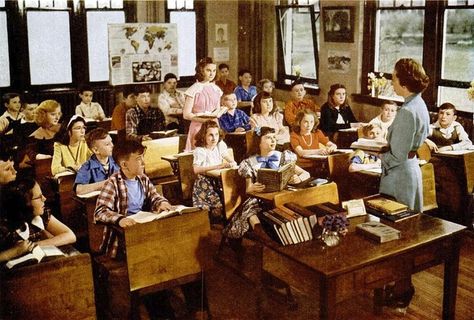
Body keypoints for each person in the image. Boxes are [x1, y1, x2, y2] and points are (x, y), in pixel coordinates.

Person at [379, 58, 430, 310]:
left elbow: (397, 154)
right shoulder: (418, 104)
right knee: (403, 234)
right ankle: (399, 284)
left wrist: (380, 155)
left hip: (400, 176)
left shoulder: (408, 111)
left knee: (398, 235)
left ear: (404, 81)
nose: (392, 81)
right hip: (408, 172)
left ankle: (402, 289)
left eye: (394, 77)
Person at [223, 127, 310, 239]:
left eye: (274, 137)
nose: (273, 140)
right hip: (260, 200)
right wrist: (253, 187)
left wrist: (299, 179)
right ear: (259, 141)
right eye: (268, 138)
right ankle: (262, 236)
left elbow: (305, 173)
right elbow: (248, 189)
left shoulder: (283, 156)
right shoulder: (250, 162)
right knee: (251, 212)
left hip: (283, 196)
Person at [0, 177, 76, 263]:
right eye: (38, 197)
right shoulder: (4, 226)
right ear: (24, 203)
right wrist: (14, 252)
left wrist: (35, 245)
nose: (44, 199)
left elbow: (70, 235)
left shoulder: (41, 214)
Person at [192, 120, 237, 224]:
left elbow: (227, 156)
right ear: (204, 136)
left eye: (216, 134)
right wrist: (218, 166)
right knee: (218, 207)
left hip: (218, 179)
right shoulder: (200, 150)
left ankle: (231, 217)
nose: (214, 138)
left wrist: (232, 162)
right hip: (205, 183)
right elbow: (196, 169)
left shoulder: (219, 145)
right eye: (210, 135)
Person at [183, 57, 224, 151]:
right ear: (201, 71)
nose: (211, 73)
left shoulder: (216, 89)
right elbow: (186, 114)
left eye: (214, 70)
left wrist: (220, 111)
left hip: (213, 126)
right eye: (208, 70)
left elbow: (216, 109)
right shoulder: (194, 89)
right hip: (198, 127)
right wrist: (203, 121)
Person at [74, 128, 119, 195]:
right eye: (107, 144)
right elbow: (79, 189)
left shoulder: (117, 161)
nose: (112, 145)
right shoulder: (87, 166)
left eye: (111, 142)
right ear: (96, 150)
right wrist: (105, 183)